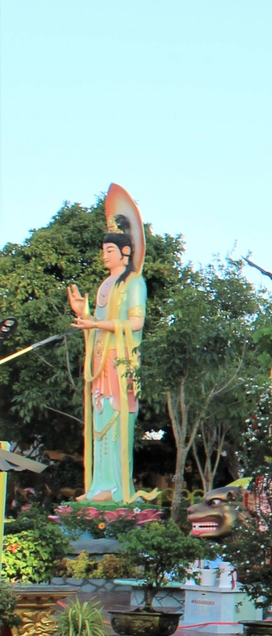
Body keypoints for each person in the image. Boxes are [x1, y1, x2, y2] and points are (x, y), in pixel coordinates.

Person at [66, 191, 146, 503]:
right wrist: (83, 315)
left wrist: (95, 323)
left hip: (121, 361)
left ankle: (118, 489)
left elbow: (136, 323)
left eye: (110, 249)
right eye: (103, 250)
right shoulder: (105, 285)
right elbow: (96, 326)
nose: (105, 255)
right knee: (99, 423)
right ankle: (100, 485)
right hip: (101, 362)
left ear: (126, 251)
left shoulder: (134, 283)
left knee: (117, 422)